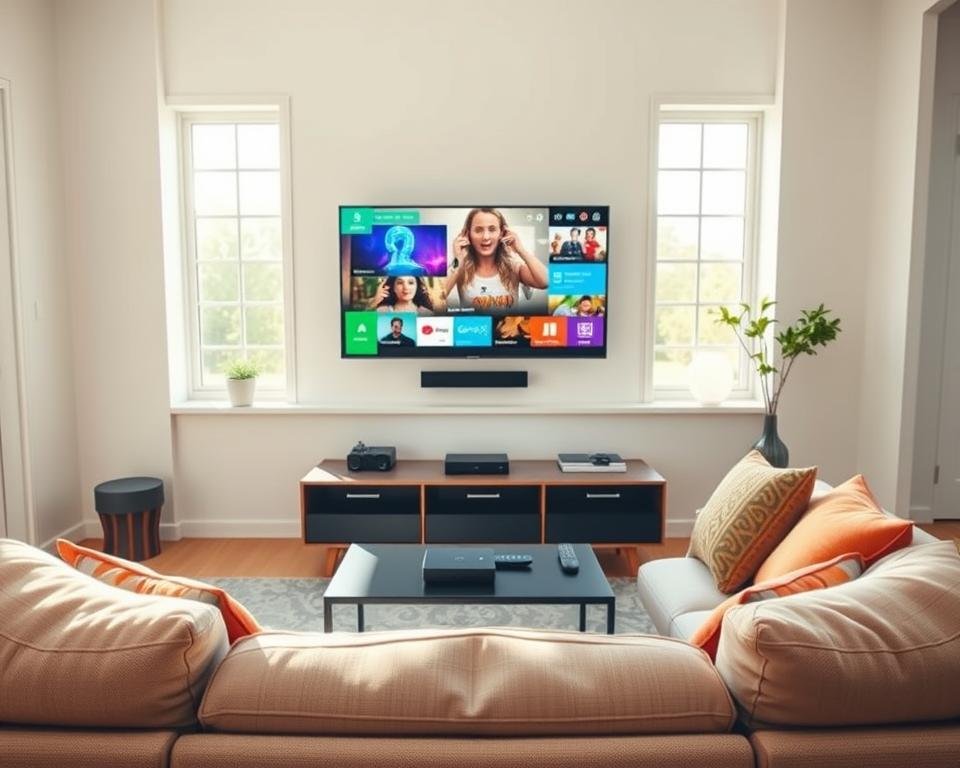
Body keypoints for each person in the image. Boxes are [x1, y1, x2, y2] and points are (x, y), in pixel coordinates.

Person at [444, 208, 549, 313]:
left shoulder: (514, 267)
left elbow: (545, 281)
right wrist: (458, 258)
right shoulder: (460, 268)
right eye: (478, 230)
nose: (486, 237)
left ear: (502, 233)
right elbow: (436, 298)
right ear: (468, 234)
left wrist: (520, 250)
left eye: (492, 229)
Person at [370, 275, 436, 315]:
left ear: (417, 286)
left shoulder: (426, 313)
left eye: (410, 282)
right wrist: (373, 303)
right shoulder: (382, 311)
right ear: (393, 287)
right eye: (400, 283)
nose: (406, 287)